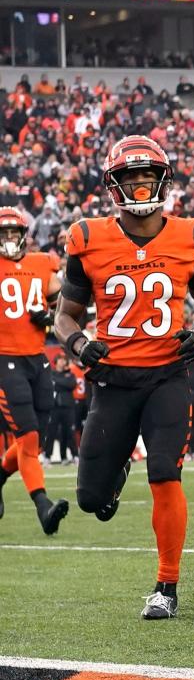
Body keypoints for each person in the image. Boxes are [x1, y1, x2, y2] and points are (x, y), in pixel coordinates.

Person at [54, 135, 194, 619]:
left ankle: (166, 587)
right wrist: (78, 344)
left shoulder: (192, 236)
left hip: (167, 377)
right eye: (128, 178)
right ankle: (113, 475)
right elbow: (64, 316)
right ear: (114, 186)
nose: (137, 186)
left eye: (145, 177)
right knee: (90, 498)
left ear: (162, 182)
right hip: (112, 379)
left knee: (165, 473)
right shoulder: (87, 238)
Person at [0, 207, 69, 534]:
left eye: (15, 233)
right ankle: (43, 506)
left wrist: (51, 316)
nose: (10, 239)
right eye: (5, 234)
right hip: (4, 360)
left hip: (38, 359)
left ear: (24, 235)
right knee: (27, 436)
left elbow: (66, 299)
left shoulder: (42, 263)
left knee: (36, 439)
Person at [47, 354, 78, 463]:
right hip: (54, 407)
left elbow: (71, 384)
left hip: (68, 407)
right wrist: (61, 383)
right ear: (55, 362)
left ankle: (74, 455)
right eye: (60, 360)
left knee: (69, 431)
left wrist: (56, 381)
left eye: (63, 360)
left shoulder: (69, 374)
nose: (62, 362)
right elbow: (49, 385)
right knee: (51, 432)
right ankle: (47, 456)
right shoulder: (50, 373)